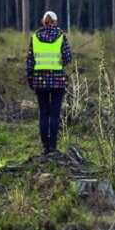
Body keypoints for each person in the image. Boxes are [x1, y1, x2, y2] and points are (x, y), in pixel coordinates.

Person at [26, 11, 72, 157]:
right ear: (55, 22)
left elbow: (30, 61)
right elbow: (67, 57)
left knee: (43, 114)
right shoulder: (61, 36)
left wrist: (30, 78)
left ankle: (45, 147)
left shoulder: (35, 37)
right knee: (54, 114)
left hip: (39, 81)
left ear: (43, 21)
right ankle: (53, 146)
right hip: (57, 81)